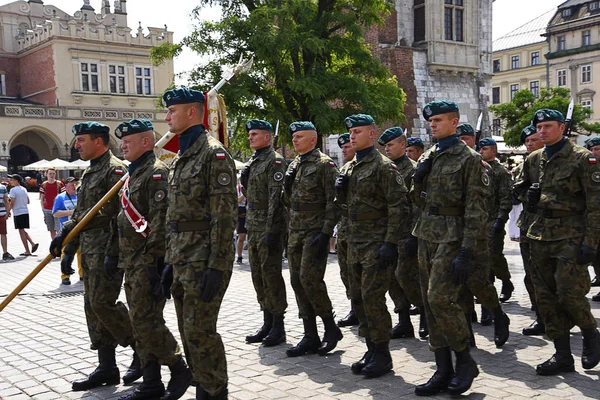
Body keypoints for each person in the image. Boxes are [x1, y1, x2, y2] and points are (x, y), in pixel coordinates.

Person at [48, 122, 138, 391]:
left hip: (108, 249)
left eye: (82, 140)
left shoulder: (116, 171)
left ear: (99, 142)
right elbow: (81, 216)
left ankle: (144, 347)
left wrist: (112, 250)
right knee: (92, 306)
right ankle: (107, 366)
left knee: (102, 304)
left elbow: (117, 216)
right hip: (89, 249)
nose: (77, 145)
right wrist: (67, 244)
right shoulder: (90, 172)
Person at [161, 88, 236, 400]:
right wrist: (168, 260)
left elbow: (224, 216)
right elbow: (174, 215)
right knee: (188, 330)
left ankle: (214, 391)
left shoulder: (213, 154)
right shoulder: (182, 157)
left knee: (200, 331)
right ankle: (204, 384)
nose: (166, 117)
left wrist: (217, 266)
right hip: (181, 257)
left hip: (204, 259)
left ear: (192, 112)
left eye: (172, 111)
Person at [514, 109, 600, 376]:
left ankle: (590, 333)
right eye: (539, 127)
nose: (542, 131)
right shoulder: (534, 158)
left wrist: (591, 243)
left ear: (562, 128)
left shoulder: (582, 159)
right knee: (545, 297)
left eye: (548, 126)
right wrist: (527, 195)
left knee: (569, 292)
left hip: (571, 234)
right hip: (539, 234)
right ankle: (562, 354)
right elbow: (516, 189)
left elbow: (596, 206)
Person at [411, 101, 488, 396]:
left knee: (440, 298)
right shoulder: (430, 155)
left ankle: (465, 361)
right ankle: (442, 369)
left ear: (455, 123)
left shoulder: (468, 158)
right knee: (429, 305)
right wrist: (417, 179)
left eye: (439, 120)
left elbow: (476, 209)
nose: (433, 125)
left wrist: (467, 250)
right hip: (427, 234)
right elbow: (417, 201)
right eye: (431, 121)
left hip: (452, 237)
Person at [113, 119, 191, 400]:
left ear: (146, 142)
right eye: (122, 142)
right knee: (138, 322)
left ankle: (179, 367)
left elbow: (159, 222)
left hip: (147, 262)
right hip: (131, 261)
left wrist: (153, 262)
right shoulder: (133, 174)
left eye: (128, 141)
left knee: (147, 321)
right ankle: (151, 382)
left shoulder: (156, 173)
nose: (122, 146)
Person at [337, 115, 409, 378]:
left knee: (373, 298)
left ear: (371, 133)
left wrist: (390, 243)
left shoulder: (384, 167)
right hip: (354, 242)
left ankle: (382, 354)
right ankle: (370, 348)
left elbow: (398, 207)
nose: (352, 136)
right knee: (357, 298)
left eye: (357, 131)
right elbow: (343, 208)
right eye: (350, 132)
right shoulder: (348, 168)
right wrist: (339, 191)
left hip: (376, 242)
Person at [282, 121, 342, 358]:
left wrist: (326, 232)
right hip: (295, 231)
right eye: (294, 136)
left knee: (310, 280)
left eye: (300, 136)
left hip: (314, 232)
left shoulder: (324, 165)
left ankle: (330, 327)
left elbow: (334, 201)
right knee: (297, 281)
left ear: (313, 140)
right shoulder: (295, 164)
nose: (295, 140)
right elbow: (289, 201)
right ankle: (310, 334)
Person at [455, 127, 510, 347]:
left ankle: (496, 313)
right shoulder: (447, 162)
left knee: (479, 280)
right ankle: (467, 331)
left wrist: (498, 222)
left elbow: (490, 201)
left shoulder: (482, 166)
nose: (462, 142)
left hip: (479, 230)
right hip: (454, 230)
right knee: (459, 283)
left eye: (466, 138)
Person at [241, 119, 288, 348]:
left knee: (271, 276)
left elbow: (275, 199)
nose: (250, 138)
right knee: (258, 276)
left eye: (255, 134)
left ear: (268, 137)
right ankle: (267, 321)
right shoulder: (254, 161)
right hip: (254, 225)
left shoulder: (275, 161)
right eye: (250, 134)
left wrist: (271, 230)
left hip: (268, 227)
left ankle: (278, 326)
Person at [378, 127, 427, 339]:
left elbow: (418, 206)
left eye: (390, 145)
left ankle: (426, 314)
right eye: (385, 146)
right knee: (391, 279)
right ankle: (404, 320)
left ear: (402, 145)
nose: (387, 149)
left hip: (407, 232)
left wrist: (414, 236)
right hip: (387, 232)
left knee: (408, 277)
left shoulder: (413, 170)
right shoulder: (385, 168)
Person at [515, 125, 546, 335]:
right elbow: (518, 190)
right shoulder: (524, 165)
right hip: (529, 225)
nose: (529, 144)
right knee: (531, 274)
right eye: (527, 141)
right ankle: (541, 315)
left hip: (556, 227)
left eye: (533, 140)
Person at [478, 137, 514, 305]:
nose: (481, 152)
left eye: (484, 149)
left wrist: (501, 220)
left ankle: (506, 281)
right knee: (481, 257)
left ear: (494, 151)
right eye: (480, 149)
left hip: (493, 218)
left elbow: (505, 197)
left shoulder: (501, 172)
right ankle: (487, 289)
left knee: (494, 255)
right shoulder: (478, 168)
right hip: (479, 219)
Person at [335, 133, 359, 328]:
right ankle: (354, 308)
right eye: (342, 148)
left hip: (361, 231)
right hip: (344, 229)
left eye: (347, 147)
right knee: (346, 272)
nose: (344, 150)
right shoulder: (343, 169)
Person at [52, 177, 83, 285]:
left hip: (81, 229)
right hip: (67, 231)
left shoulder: (81, 196)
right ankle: (65, 276)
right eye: (71, 185)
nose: (74, 186)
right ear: (66, 186)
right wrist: (71, 212)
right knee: (66, 253)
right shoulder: (60, 198)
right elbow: (55, 213)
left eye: (75, 184)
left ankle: (82, 275)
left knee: (81, 253)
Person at [6, 174, 38, 256]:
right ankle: (32, 243)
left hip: (18, 212)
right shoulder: (24, 189)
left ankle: (27, 250)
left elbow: (12, 202)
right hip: (25, 211)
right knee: (22, 230)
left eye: (12, 180)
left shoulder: (13, 190)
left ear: (17, 181)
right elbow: (28, 201)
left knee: (21, 231)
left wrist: (8, 211)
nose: (10, 181)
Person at [585, 136, 600, 302]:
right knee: (596, 255)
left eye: (598, 149)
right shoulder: (588, 167)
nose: (595, 152)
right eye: (593, 149)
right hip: (593, 218)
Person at [40, 167, 64, 240]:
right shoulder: (44, 185)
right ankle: (54, 245)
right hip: (47, 209)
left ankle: (60, 244)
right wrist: (43, 209)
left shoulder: (59, 184)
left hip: (57, 210)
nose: (52, 175)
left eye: (53, 173)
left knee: (59, 229)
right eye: (50, 173)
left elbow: (64, 196)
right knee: (51, 230)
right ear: (46, 174)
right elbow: (42, 198)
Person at [0, 182, 14, 261]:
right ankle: (5, 252)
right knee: (3, 233)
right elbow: (6, 201)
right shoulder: (2, 187)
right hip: (2, 214)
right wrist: (7, 212)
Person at [235, 177, 247, 264]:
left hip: (251, 213)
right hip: (241, 214)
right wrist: (244, 194)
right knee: (241, 236)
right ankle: (239, 256)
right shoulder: (238, 188)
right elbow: (237, 200)